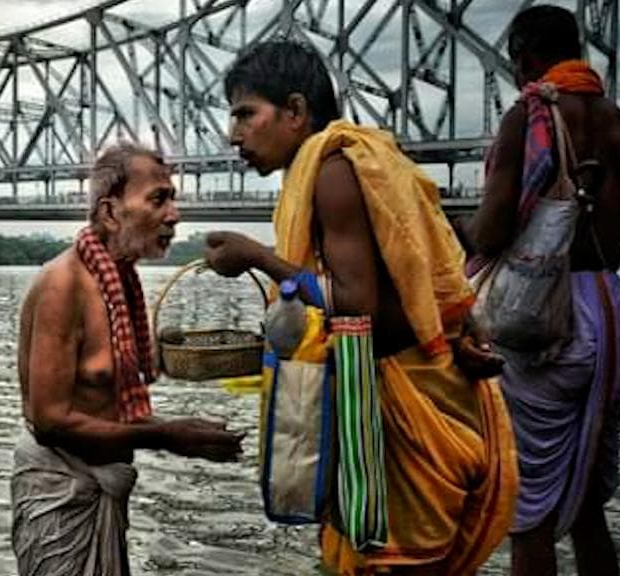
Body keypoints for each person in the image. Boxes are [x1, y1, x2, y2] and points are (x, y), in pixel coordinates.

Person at [204, 40, 518, 575]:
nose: (233, 134)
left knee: (394, 561)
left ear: (296, 112)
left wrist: (256, 256)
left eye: (245, 114)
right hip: (415, 387)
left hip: (404, 401)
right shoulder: (355, 160)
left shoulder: (332, 171)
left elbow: (355, 304)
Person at [465, 6, 620, 576]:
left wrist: (451, 230)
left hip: (546, 322)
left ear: (523, 54)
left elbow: (495, 229)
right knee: (589, 508)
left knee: (531, 514)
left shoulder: (528, 117)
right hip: (612, 312)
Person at [11, 143, 244, 576]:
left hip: (101, 487)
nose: (174, 214)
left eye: (172, 199)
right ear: (111, 212)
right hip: (58, 495)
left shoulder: (120, 283)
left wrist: (183, 431)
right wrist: (166, 436)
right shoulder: (63, 285)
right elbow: (49, 420)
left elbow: (107, 396)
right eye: (159, 199)